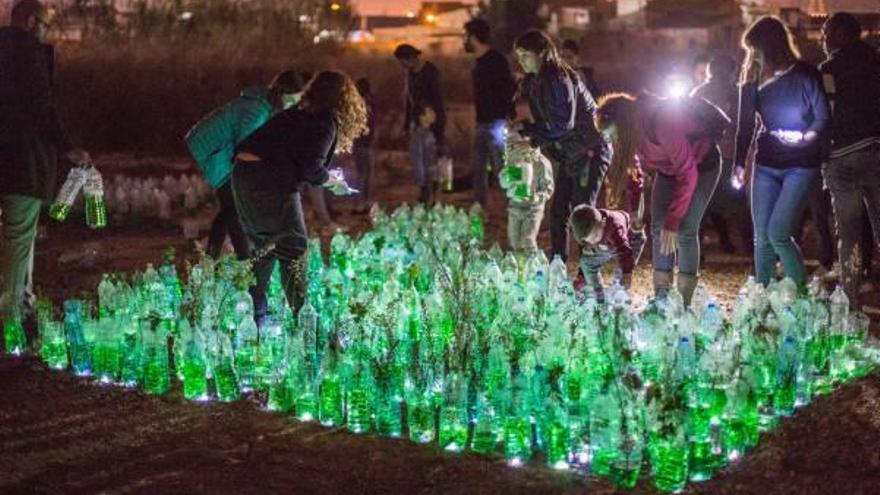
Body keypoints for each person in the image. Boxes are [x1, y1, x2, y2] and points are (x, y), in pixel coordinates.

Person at [232, 71, 367, 325]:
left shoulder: (299, 114)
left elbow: (300, 156)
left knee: (265, 248)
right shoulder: (325, 121)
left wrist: (324, 175)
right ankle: (303, 320)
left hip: (243, 176)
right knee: (293, 248)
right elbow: (311, 168)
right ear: (345, 100)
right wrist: (332, 182)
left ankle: (252, 318)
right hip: (268, 180)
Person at [0, 0, 91, 334]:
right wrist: (69, 147)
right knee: (19, 239)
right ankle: (10, 316)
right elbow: (42, 107)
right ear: (30, 23)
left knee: (15, 237)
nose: (44, 33)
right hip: (23, 162)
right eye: (44, 26)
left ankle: (21, 301)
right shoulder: (27, 53)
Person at [596, 91, 725, 305]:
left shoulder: (663, 122)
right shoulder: (628, 135)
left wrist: (673, 220)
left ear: (624, 124)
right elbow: (632, 168)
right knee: (657, 227)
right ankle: (662, 298)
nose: (611, 140)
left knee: (684, 229)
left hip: (701, 168)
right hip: (667, 171)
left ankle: (684, 303)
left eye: (613, 134)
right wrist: (636, 208)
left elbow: (688, 173)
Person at [733, 16, 830, 287]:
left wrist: (804, 138)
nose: (751, 56)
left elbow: (821, 116)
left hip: (801, 164)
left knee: (778, 233)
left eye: (755, 49)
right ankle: (762, 300)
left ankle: (799, 295)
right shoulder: (751, 79)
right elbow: (744, 125)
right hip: (766, 163)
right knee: (761, 238)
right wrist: (739, 164)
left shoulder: (805, 74)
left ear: (771, 46)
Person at [512, 30, 612, 263]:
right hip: (570, 152)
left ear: (542, 53)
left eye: (526, 54)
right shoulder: (534, 81)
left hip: (590, 149)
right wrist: (523, 128)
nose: (521, 60)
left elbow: (563, 124)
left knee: (583, 213)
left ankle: (588, 273)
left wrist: (533, 137)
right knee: (559, 213)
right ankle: (558, 266)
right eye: (518, 55)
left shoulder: (559, 78)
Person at [186, 70, 307, 259]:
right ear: (280, 93)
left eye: (296, 101)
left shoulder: (266, 106)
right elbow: (246, 147)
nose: (291, 106)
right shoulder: (256, 110)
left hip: (222, 147)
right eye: (290, 100)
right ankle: (245, 260)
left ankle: (211, 256)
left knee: (229, 207)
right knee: (235, 208)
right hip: (212, 147)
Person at [820, 12, 880, 306]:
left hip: (842, 155)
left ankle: (851, 300)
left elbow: (825, 116)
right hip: (876, 152)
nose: (824, 39)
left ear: (842, 34)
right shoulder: (876, 63)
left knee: (849, 234)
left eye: (827, 32)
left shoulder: (829, 69)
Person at [691, 54, 748, 254]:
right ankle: (748, 246)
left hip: (702, 155)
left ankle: (696, 248)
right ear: (731, 72)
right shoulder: (736, 94)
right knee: (740, 202)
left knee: (703, 201)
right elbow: (745, 124)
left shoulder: (698, 92)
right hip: (731, 154)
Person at [464, 18, 517, 207]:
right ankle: (480, 207)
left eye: (466, 36)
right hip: (481, 123)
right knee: (478, 170)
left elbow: (508, 89)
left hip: (497, 124)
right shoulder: (477, 63)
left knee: (501, 168)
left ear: (474, 37)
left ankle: (514, 207)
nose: (464, 40)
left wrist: (509, 118)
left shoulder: (497, 60)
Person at [569, 203, 644, 301]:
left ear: (602, 223)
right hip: (606, 244)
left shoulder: (615, 227)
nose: (594, 241)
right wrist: (582, 274)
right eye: (590, 240)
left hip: (630, 241)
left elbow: (625, 252)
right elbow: (590, 244)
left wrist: (627, 273)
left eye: (595, 236)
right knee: (586, 261)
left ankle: (619, 296)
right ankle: (597, 294)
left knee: (621, 275)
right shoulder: (590, 228)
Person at [501, 130, 554, 253]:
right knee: (514, 242)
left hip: (533, 210)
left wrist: (537, 197)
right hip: (515, 208)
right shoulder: (514, 162)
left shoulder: (541, 163)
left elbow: (548, 189)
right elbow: (509, 183)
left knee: (527, 240)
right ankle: (517, 268)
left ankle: (533, 266)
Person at [394, 44, 446, 153]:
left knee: (429, 162)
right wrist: (406, 126)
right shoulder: (409, 75)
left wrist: (438, 129)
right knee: (418, 162)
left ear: (411, 58)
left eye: (404, 62)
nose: (403, 66)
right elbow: (409, 101)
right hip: (416, 124)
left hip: (430, 124)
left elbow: (438, 101)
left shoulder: (430, 72)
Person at [352, 77, 375, 214]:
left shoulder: (359, 105)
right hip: (364, 144)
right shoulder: (366, 105)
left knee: (364, 174)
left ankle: (362, 203)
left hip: (361, 144)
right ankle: (362, 203)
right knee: (364, 175)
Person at [409, 102, 439, 204]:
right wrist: (420, 178)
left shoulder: (430, 133)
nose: (433, 114)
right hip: (426, 176)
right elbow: (417, 157)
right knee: (425, 200)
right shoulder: (418, 135)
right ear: (421, 117)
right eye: (429, 112)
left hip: (432, 174)